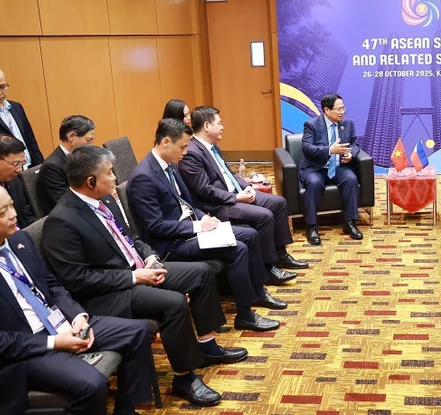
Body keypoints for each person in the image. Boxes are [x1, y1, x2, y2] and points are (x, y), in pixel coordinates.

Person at [40, 146, 246, 407]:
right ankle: (185, 378)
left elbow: (131, 237)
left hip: (137, 270)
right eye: (109, 173)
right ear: (91, 181)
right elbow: (77, 280)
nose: (115, 178)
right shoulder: (63, 221)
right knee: (173, 303)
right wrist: (136, 277)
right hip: (108, 293)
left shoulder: (105, 201)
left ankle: (207, 345)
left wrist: (149, 256)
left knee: (201, 273)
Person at [0, 185, 155, 415]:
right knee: (92, 384)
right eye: (2, 212)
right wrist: (54, 342)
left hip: (60, 322)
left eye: (12, 205)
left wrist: (77, 316)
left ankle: (126, 409)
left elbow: (51, 284)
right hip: (27, 347)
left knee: (139, 332)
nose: (14, 214)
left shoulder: (19, 239)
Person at [127, 119, 287, 321]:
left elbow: (187, 203)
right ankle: (245, 315)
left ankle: (257, 292)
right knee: (238, 249)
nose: (185, 152)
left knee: (251, 235)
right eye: (183, 147)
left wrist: (205, 218)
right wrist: (198, 226)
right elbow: (155, 226)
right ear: (166, 141)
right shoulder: (144, 177)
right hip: (171, 244)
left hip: (192, 229)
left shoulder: (170, 165)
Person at [179, 106, 307, 274]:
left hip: (235, 192)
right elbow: (204, 190)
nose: (223, 127)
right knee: (264, 215)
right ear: (207, 126)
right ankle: (268, 267)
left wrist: (246, 186)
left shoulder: (212, 146)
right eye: (219, 123)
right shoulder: (192, 153)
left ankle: (281, 254)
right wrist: (236, 198)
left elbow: (229, 173)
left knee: (278, 202)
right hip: (218, 204)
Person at [299, 94, 363, 245]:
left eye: (343, 108)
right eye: (339, 109)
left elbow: (354, 144)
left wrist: (350, 154)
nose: (342, 112)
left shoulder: (348, 123)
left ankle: (350, 223)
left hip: (339, 166)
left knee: (351, 179)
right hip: (316, 167)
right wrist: (329, 150)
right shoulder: (312, 125)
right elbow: (307, 148)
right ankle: (312, 227)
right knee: (314, 184)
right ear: (327, 110)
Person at [37, 115, 96, 214]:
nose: (91, 145)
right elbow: (65, 202)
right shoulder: (52, 167)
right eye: (88, 140)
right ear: (71, 136)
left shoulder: (81, 156)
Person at [0, 69, 44, 167]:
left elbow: (30, 139)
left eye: (2, 87)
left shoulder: (16, 107)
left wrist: (41, 165)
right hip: (8, 172)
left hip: (29, 166)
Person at [0, 135, 35, 229]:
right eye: (15, 164)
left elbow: (26, 216)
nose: (20, 170)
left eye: (22, 164)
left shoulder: (16, 182)